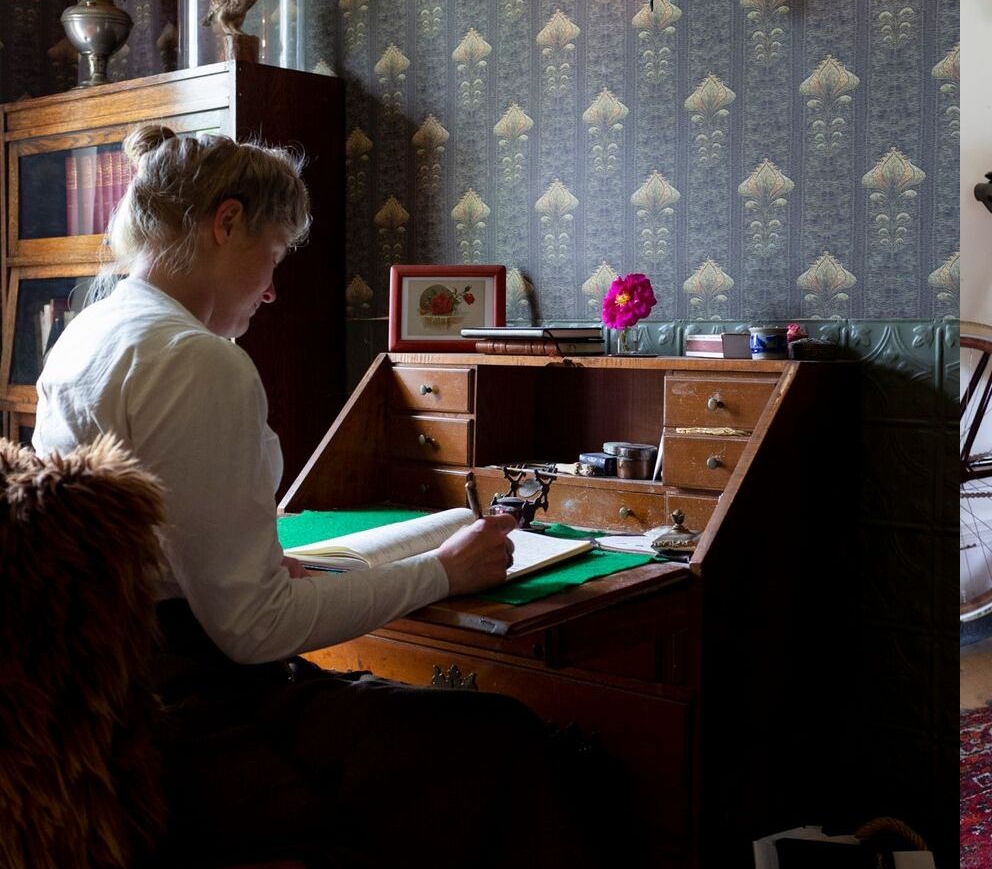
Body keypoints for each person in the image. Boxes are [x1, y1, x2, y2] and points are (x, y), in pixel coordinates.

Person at [32, 124, 616, 867]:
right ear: (227, 222)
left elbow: (172, 551)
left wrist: (260, 569)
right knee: (501, 740)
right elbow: (254, 631)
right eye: (273, 254)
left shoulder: (90, 331)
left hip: (113, 707)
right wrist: (446, 571)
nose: (274, 287)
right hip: (200, 725)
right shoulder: (194, 358)